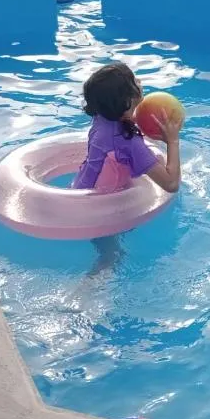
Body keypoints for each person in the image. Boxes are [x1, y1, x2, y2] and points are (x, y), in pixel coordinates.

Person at [73, 62, 182, 275]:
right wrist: (172, 141)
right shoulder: (128, 142)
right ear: (125, 101)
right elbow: (171, 183)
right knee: (112, 257)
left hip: (80, 188)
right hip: (97, 210)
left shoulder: (102, 117)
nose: (139, 82)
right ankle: (82, 300)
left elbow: (125, 123)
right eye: (134, 80)